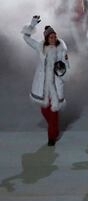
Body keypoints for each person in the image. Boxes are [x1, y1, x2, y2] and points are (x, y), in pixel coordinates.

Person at [21, 16, 70, 146]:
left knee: (53, 111)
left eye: (55, 36)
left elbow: (66, 65)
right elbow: (26, 38)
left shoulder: (62, 49)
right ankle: (54, 128)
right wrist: (32, 24)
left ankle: (51, 137)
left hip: (55, 84)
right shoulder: (39, 46)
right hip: (43, 84)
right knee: (44, 110)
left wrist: (61, 69)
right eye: (51, 37)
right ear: (46, 38)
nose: (53, 39)